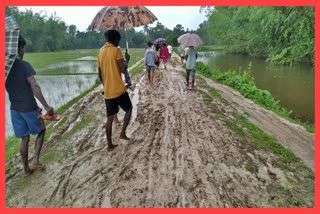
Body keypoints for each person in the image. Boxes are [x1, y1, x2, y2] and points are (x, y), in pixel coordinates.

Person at [5, 35, 54, 176]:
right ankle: (36, 160)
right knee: (41, 130)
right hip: (29, 107)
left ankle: (26, 169)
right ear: (20, 49)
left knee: (24, 138)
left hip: (14, 109)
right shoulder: (24, 65)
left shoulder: (5, 70)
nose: (24, 50)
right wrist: (46, 106)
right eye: (23, 47)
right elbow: (34, 85)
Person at [97, 30, 132, 152]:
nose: (118, 43)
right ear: (115, 40)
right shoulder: (116, 50)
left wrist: (106, 84)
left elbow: (99, 74)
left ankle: (109, 144)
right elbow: (123, 69)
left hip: (108, 92)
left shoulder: (100, 53)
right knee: (129, 109)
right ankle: (122, 133)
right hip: (118, 90)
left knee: (109, 118)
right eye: (118, 41)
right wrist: (127, 60)